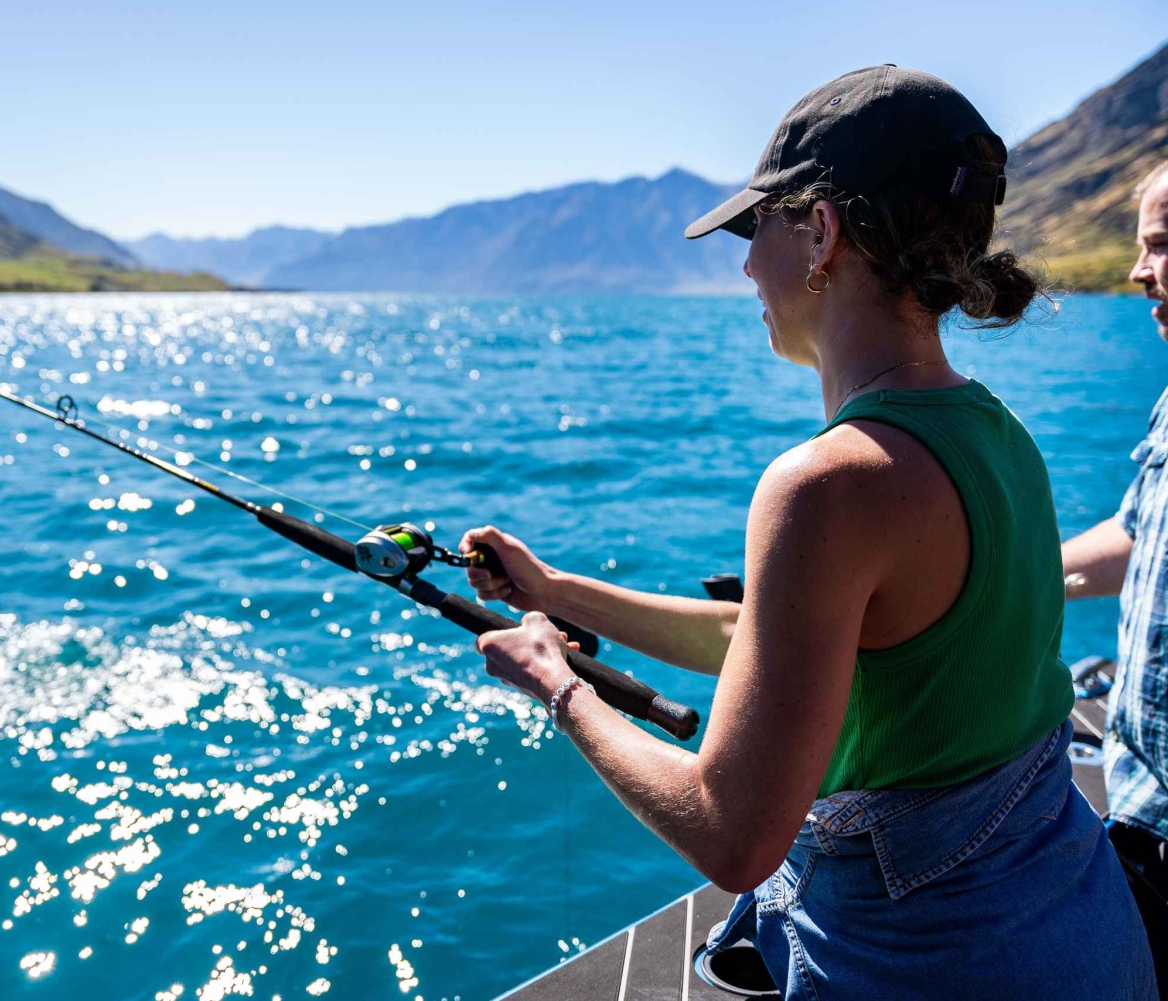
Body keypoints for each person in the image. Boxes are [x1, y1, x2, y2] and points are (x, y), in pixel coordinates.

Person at [463, 66, 1155, 998]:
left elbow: (733, 834)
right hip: (1084, 937)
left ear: (821, 232)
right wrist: (554, 591)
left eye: (758, 227)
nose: (748, 264)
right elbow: (773, 644)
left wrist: (557, 683)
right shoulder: (998, 435)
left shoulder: (826, 486)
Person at [1062, 158, 1168, 991]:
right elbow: (1138, 539)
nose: (1138, 271)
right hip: (1139, 809)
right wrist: (1000, 574)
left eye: (1162, 245)